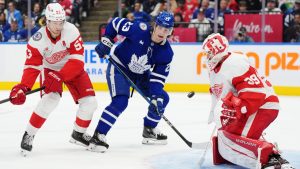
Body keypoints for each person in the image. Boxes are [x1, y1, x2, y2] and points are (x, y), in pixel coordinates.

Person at [9, 3, 97, 156]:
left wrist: (61, 75)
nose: (58, 26)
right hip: (50, 70)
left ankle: (79, 133)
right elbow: (32, 67)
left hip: (72, 67)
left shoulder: (71, 31)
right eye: (55, 22)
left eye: (61, 22)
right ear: (47, 21)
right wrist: (23, 87)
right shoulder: (37, 41)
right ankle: (29, 134)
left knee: (90, 103)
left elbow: (77, 61)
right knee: (51, 99)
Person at [202, 33, 294, 169]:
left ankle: (271, 158)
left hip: (264, 105)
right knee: (227, 134)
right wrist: (215, 114)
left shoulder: (234, 62)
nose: (207, 56)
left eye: (209, 53)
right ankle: (265, 152)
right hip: (251, 107)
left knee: (234, 139)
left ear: (217, 51)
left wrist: (240, 109)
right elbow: (218, 94)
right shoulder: (214, 71)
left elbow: (255, 92)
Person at [88, 11, 174, 153]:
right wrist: (107, 40)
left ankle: (149, 129)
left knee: (162, 99)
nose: (162, 32)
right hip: (119, 66)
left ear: (170, 32)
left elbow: (158, 79)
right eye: (161, 27)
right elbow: (115, 23)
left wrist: (155, 98)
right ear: (155, 25)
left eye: (167, 29)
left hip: (140, 75)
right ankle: (98, 136)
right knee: (121, 101)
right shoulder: (139, 29)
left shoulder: (166, 53)